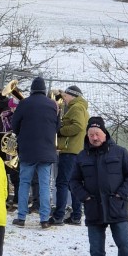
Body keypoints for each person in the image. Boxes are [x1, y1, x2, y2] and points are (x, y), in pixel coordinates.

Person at [69, 116, 128, 256]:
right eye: (91, 134)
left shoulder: (119, 152)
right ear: (87, 136)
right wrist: (84, 197)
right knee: (96, 250)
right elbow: (73, 181)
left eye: (97, 134)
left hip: (117, 207)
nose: (94, 137)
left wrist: (121, 194)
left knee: (125, 243)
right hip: (94, 209)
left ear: (104, 134)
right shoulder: (82, 156)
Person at [11, 76, 61, 228]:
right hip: (46, 151)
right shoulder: (53, 105)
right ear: (44, 90)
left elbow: (14, 126)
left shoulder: (24, 103)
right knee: (45, 185)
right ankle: (44, 219)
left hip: (27, 151)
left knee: (24, 183)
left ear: (32, 90)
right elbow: (57, 127)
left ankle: (21, 217)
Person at [50, 85, 89, 226]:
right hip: (75, 150)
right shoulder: (80, 107)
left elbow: (78, 126)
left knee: (62, 183)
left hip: (70, 150)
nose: (64, 99)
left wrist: (60, 131)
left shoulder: (76, 108)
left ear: (72, 96)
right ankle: (76, 216)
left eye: (65, 96)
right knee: (73, 184)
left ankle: (58, 216)